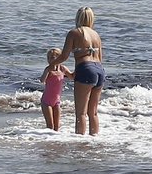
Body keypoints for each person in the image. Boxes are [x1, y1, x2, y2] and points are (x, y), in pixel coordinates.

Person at [63, 7, 104, 136]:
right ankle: (94, 139)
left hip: (85, 69)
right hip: (99, 70)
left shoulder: (74, 33)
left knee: (80, 113)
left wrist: (52, 64)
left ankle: (80, 143)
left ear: (78, 18)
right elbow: (100, 58)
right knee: (93, 112)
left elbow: (64, 56)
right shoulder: (96, 35)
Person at [40, 50, 66, 132]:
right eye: (48, 58)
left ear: (59, 58)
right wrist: (47, 71)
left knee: (57, 126)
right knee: (50, 125)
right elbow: (42, 80)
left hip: (56, 101)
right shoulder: (48, 69)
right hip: (46, 101)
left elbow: (72, 76)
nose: (49, 60)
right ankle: (48, 141)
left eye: (52, 58)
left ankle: (54, 143)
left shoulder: (62, 69)